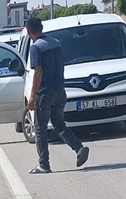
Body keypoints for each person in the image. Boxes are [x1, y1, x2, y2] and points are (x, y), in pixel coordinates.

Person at [24, 15, 90, 174]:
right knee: (59, 124)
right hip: (60, 91)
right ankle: (79, 148)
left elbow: (38, 72)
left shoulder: (36, 47)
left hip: (45, 93)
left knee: (40, 129)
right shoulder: (56, 43)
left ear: (29, 32)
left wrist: (32, 96)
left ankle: (44, 165)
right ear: (41, 28)